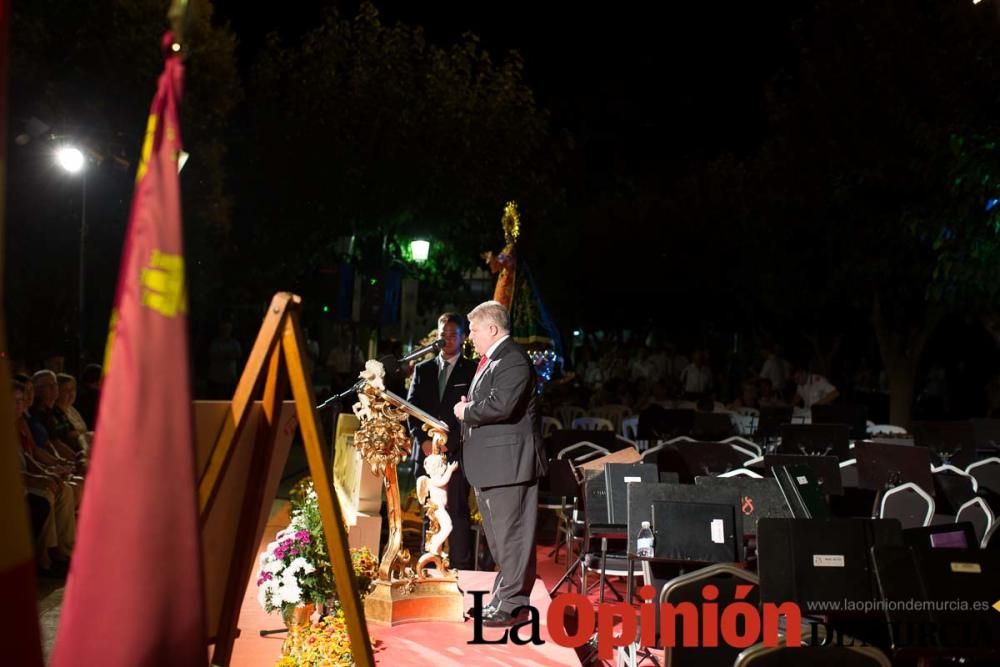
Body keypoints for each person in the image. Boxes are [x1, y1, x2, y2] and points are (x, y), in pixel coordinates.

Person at [453, 300, 546, 627]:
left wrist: (468, 411)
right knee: (500, 538)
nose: (470, 336)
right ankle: (504, 597)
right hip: (494, 465)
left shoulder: (513, 360)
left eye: (474, 330)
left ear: (492, 328)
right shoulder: (493, 360)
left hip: (510, 466)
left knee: (513, 537)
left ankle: (513, 605)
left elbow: (503, 405)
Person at [406, 313, 477, 570]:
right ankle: (430, 564)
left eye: (451, 335)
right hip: (425, 455)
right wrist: (423, 441)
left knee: (456, 512)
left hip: (455, 454)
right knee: (430, 512)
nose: (445, 339)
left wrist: (451, 444)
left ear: (463, 337)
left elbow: (472, 413)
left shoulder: (472, 370)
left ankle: (460, 568)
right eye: (441, 335)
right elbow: (410, 409)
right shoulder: (423, 370)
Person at [416, 454, 459, 557]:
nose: (444, 467)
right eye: (442, 466)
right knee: (448, 526)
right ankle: (434, 544)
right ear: (436, 468)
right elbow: (443, 481)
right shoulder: (433, 480)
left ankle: (439, 549)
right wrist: (450, 469)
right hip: (438, 509)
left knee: (443, 528)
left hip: (442, 508)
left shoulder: (437, 478)